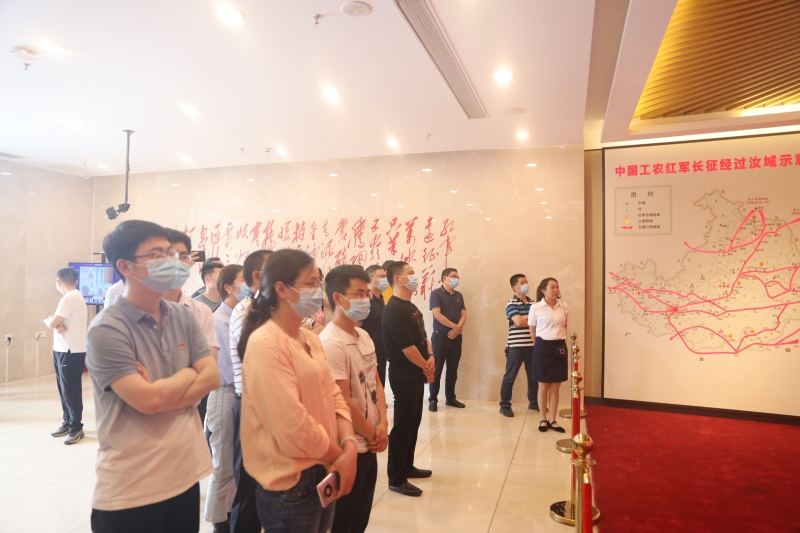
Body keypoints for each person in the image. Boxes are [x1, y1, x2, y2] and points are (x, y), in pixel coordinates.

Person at [86, 220, 219, 532]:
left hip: (185, 475)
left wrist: (162, 388)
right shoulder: (107, 328)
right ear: (125, 266)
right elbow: (149, 402)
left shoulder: (184, 315)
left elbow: (212, 378)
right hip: (132, 487)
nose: (171, 262)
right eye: (157, 255)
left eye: (170, 253)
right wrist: (190, 373)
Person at [238, 249, 357, 533]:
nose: (318, 291)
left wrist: (349, 444)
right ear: (282, 289)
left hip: (324, 469)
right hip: (292, 483)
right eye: (311, 283)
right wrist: (338, 456)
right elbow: (292, 425)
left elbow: (334, 394)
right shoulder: (266, 342)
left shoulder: (309, 339)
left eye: (319, 282)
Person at [319, 266, 389, 533]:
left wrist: (383, 424)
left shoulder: (365, 336)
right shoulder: (331, 342)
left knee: (360, 517)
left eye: (366, 294)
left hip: (370, 442)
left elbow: (376, 382)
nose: (366, 300)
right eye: (358, 294)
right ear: (338, 298)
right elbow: (343, 399)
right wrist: (372, 433)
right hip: (349, 446)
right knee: (342, 520)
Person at [383, 261, 435, 497]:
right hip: (403, 373)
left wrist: (431, 356)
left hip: (416, 371)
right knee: (403, 424)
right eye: (410, 273)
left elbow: (423, 337)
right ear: (398, 279)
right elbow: (407, 348)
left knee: (413, 421)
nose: (415, 276)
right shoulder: (394, 309)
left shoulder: (410, 306)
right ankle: (396, 478)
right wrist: (426, 367)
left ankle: (407, 466)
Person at [229, 250, 272, 533]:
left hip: (269, 405)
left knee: (266, 487)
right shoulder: (246, 311)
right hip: (251, 406)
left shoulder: (270, 309)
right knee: (248, 490)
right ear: (257, 277)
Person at [163, 229, 220, 427]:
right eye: (171, 256)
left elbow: (210, 375)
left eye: (184, 256)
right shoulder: (134, 311)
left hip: (188, 416)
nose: (179, 263)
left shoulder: (200, 311)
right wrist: (189, 373)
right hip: (141, 422)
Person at [205, 264, 245, 533]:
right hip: (224, 393)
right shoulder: (219, 319)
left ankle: (230, 514)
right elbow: (228, 367)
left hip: (240, 393)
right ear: (228, 287)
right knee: (222, 466)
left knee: (235, 465)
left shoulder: (241, 315)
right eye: (243, 280)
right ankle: (218, 521)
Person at [43, 267, 88, 445]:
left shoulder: (70, 297)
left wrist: (48, 321)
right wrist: (56, 324)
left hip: (70, 351)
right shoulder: (73, 296)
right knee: (64, 389)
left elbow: (53, 322)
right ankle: (68, 422)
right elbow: (58, 323)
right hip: (63, 350)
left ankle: (76, 427)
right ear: (76, 281)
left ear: (58, 282)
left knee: (70, 390)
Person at [529, 277, 569, 433]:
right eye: (552, 287)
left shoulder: (564, 306)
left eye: (557, 286)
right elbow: (532, 329)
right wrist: (539, 345)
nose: (556, 289)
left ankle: (553, 420)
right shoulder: (536, 307)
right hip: (542, 346)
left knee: (556, 386)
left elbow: (565, 326)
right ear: (543, 290)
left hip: (559, 347)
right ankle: (543, 419)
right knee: (543, 385)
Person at [499, 274, 538, 418]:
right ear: (514, 287)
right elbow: (518, 322)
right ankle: (504, 405)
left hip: (532, 346)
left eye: (526, 282)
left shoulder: (534, 303)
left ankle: (534, 402)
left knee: (533, 377)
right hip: (515, 346)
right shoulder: (511, 303)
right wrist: (531, 318)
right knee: (510, 377)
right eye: (522, 282)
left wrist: (525, 318)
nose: (525, 284)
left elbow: (539, 320)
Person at [428, 268, 467, 411]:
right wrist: (455, 327)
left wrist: (457, 330)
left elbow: (464, 314)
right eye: (453, 276)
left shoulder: (459, 295)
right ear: (445, 278)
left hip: (456, 338)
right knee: (436, 369)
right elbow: (437, 315)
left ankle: (450, 398)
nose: (456, 279)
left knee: (453, 369)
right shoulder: (436, 293)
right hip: (440, 337)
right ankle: (433, 399)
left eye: (457, 276)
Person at [360, 264, 388, 386]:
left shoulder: (380, 298)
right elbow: (356, 326)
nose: (385, 279)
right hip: (369, 354)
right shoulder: (366, 300)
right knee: (372, 387)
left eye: (385, 276)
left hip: (382, 352)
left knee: (381, 385)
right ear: (371, 279)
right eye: (382, 276)